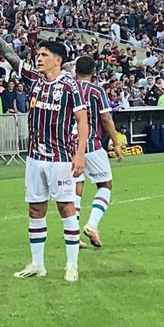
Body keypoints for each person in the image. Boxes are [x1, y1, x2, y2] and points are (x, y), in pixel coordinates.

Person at [0, 17, 88, 283]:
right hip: (34, 157)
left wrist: (79, 154)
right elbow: (9, 55)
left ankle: (72, 264)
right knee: (35, 210)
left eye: (44, 55)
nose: (38, 58)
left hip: (60, 157)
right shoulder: (35, 80)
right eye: (38, 54)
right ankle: (37, 264)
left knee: (66, 208)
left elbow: (82, 120)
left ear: (58, 60)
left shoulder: (69, 86)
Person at [72, 56, 123, 249]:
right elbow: (106, 118)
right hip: (91, 144)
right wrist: (116, 143)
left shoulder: (67, 89)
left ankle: (73, 234)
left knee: (76, 189)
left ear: (75, 71)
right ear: (93, 71)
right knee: (105, 185)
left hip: (70, 146)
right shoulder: (96, 91)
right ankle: (92, 224)